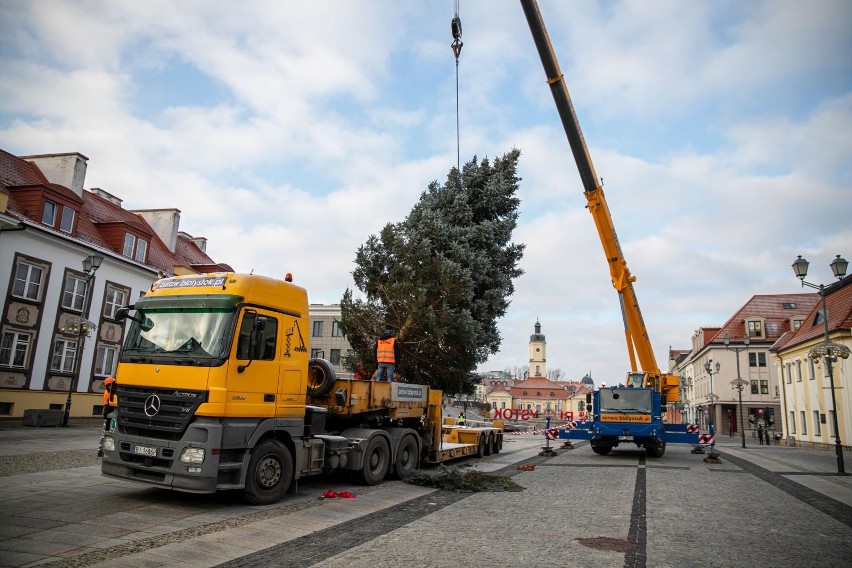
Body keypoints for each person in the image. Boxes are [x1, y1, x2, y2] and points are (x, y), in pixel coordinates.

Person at [98, 377, 117, 457]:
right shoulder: (109, 392)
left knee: (106, 432)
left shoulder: (108, 391)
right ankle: (101, 449)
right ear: (110, 385)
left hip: (108, 414)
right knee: (106, 432)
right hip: (109, 415)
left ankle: (101, 449)